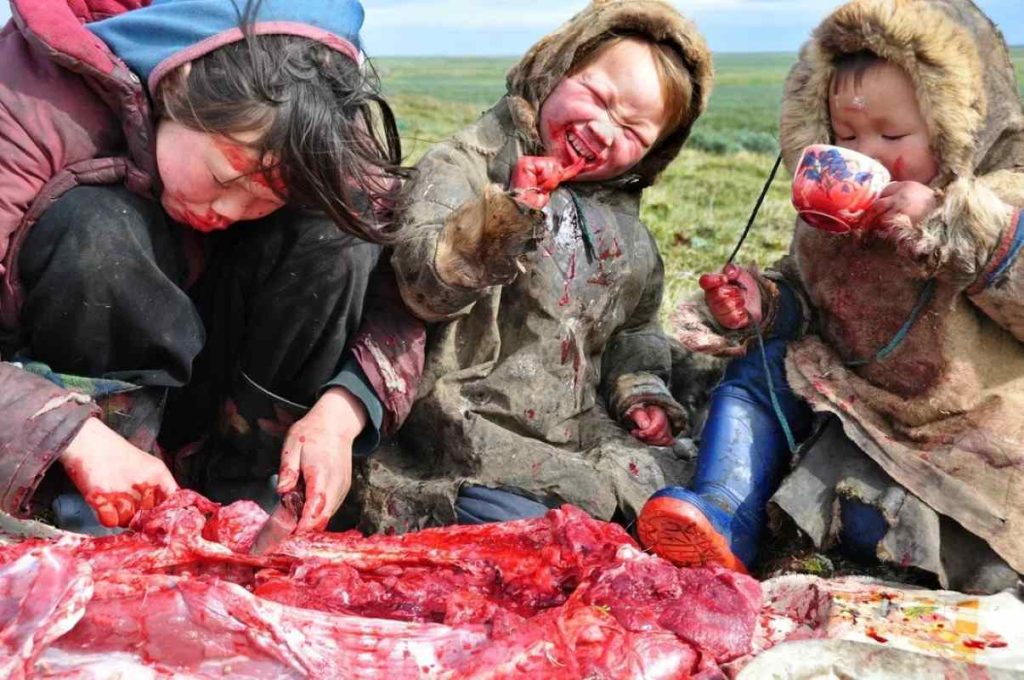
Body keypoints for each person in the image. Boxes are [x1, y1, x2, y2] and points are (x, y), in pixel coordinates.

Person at [641, 0, 1024, 592]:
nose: (864, 153)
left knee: (912, 529)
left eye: (891, 134)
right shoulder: (833, 215)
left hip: (957, 433)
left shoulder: (1001, 201)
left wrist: (956, 226)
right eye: (846, 135)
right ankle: (724, 507)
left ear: (959, 132)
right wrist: (767, 304)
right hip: (846, 403)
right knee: (761, 364)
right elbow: (812, 301)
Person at [0, 0, 407, 533]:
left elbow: (397, 288)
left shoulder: (314, 108)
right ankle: (102, 507)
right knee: (97, 226)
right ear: (179, 84)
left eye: (264, 200)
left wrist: (346, 407)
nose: (228, 211)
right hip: (63, 385)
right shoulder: (25, 99)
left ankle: (253, 500)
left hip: (224, 374)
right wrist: (69, 432)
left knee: (337, 231)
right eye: (222, 178)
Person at [350, 0, 714, 533]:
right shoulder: (463, 168)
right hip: (466, 421)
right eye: (598, 98)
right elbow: (422, 287)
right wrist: (504, 217)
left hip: (576, 428)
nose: (603, 130)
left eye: (633, 132)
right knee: (510, 515)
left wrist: (641, 393)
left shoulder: (630, 237)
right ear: (553, 69)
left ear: (654, 155)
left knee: (674, 477)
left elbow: (634, 333)